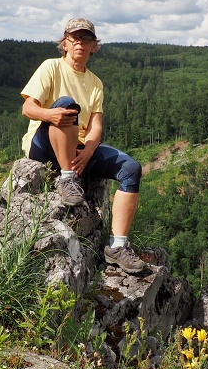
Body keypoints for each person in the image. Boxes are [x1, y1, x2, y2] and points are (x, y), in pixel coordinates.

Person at [20, 18, 147, 274]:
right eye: (74, 37)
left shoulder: (95, 82)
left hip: (78, 148)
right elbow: (28, 108)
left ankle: (118, 247)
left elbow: (96, 126)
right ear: (65, 42)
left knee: (131, 168)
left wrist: (89, 150)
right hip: (44, 145)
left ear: (93, 47)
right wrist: (51, 115)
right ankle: (67, 179)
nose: (80, 42)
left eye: (86, 39)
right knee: (66, 103)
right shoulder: (51, 67)